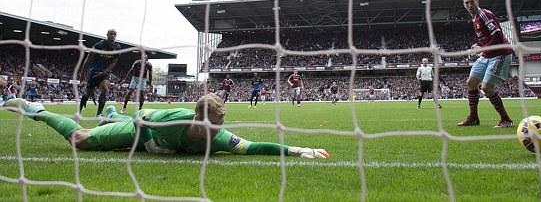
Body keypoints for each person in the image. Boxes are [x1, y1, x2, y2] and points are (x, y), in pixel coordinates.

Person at [3, 94, 330, 159]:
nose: (219, 132)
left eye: (221, 126)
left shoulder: (219, 138)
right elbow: (141, 120)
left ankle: (110, 113)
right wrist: (147, 144)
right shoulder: (176, 121)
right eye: (213, 126)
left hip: (150, 131)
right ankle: (38, 110)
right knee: (79, 139)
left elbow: (252, 148)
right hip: (142, 127)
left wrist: (297, 149)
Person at [458, 0, 513, 128]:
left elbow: (498, 36)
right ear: (464, 5)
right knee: (471, 82)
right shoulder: (475, 18)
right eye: (467, 3)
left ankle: (506, 119)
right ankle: (473, 118)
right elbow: (487, 38)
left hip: (500, 53)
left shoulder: (484, 14)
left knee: (487, 87)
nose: (470, 5)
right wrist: (479, 46)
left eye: (472, 1)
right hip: (487, 54)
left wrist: (482, 48)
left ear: (477, 1)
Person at [79, 29, 121, 121]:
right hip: (93, 71)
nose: (112, 36)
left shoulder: (117, 47)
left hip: (104, 73)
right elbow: (87, 60)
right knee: (87, 93)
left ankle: (99, 114)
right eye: (111, 34)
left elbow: (114, 62)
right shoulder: (99, 45)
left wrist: (106, 71)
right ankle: (79, 110)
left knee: (105, 88)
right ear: (107, 35)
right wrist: (82, 76)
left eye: (114, 34)